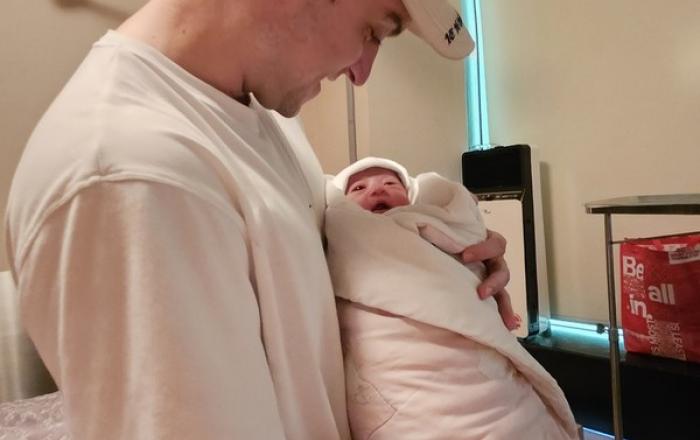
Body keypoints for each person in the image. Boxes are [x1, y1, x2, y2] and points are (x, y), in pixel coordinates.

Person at [5, 0, 513, 438]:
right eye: (372, 31)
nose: (361, 72)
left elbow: (302, 268)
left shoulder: (260, 116)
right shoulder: (130, 179)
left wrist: (449, 264)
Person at [325, 157, 578, 439]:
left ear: (411, 197)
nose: (377, 190)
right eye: (359, 188)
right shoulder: (345, 228)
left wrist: (471, 235)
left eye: (390, 184)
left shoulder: (424, 223)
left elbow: (464, 238)